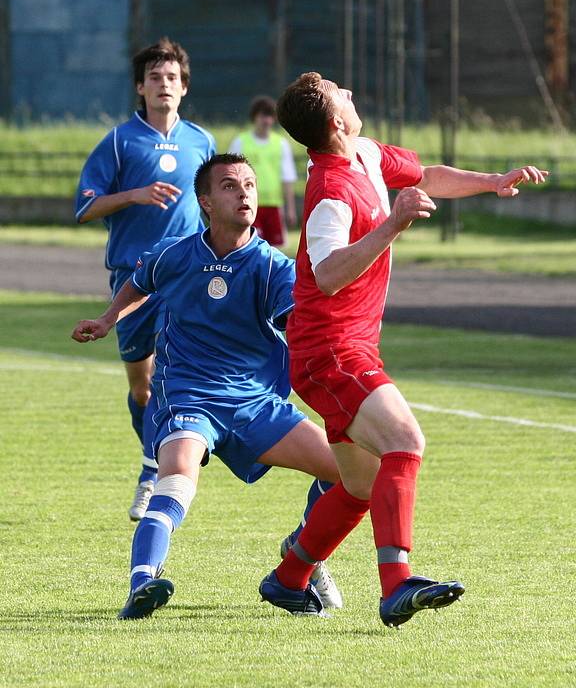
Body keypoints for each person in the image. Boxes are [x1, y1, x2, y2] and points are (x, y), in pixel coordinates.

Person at [259, 71, 548, 627]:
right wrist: (392, 223)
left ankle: (289, 577)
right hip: (329, 353)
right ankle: (396, 584)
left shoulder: (364, 155)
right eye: (342, 92)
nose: (350, 90)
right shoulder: (329, 193)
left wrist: (492, 180)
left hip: (348, 347)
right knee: (406, 440)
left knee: (362, 486)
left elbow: (428, 176)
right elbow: (327, 275)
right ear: (336, 121)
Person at [71, 153, 344, 620]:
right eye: (230, 186)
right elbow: (138, 282)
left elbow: (293, 321)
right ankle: (142, 586)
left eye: (250, 185)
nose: (244, 194)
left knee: (347, 470)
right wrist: (107, 318)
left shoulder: (273, 267)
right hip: (189, 395)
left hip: (255, 404)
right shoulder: (176, 254)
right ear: (206, 202)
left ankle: (304, 550)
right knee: (177, 476)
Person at [75, 38, 215, 521]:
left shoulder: (202, 142)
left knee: (176, 377)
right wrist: (133, 194)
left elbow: (214, 207)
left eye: (172, 78)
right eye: (155, 77)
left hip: (185, 277)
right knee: (143, 387)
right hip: (133, 280)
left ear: (184, 87)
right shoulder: (119, 141)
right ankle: (151, 456)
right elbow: (85, 207)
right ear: (140, 86)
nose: (164, 85)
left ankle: (158, 470)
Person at [229, 95, 297, 246]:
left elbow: (287, 178)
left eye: (270, 116)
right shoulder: (240, 142)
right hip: (248, 204)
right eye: (262, 116)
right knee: (248, 245)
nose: (266, 120)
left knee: (275, 250)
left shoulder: (281, 144)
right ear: (255, 117)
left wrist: (290, 209)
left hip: (274, 205)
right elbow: (229, 176)